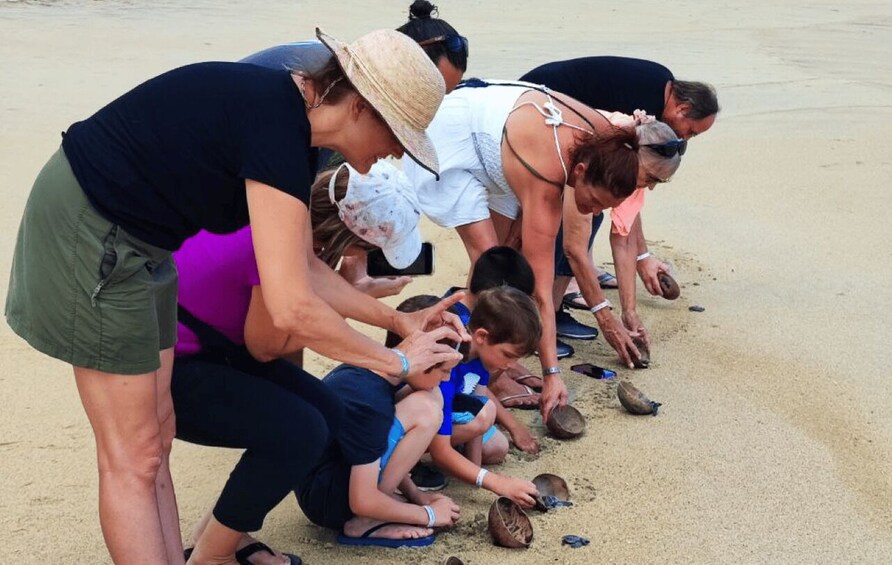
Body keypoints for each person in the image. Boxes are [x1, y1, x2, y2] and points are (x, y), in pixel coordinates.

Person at [5, 27, 455, 563]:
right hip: (92, 232)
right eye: (400, 136)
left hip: (146, 246)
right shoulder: (275, 126)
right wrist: (396, 361)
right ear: (361, 106)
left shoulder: (291, 128)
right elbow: (290, 306)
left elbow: (303, 270)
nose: (396, 155)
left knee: (158, 437)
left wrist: (397, 320)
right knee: (132, 456)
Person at [173, 160, 463, 564]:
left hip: (204, 347)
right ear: (349, 239)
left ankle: (222, 537)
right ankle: (210, 558)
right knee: (299, 430)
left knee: (322, 410)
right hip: (172, 367)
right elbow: (267, 344)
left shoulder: (289, 213)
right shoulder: (273, 243)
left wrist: (398, 320)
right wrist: (395, 360)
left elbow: (310, 278)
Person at [404, 78, 643, 420]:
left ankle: (494, 360)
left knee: (501, 266)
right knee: (495, 273)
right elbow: (541, 293)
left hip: (501, 142)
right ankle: (488, 376)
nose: (592, 212)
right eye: (593, 201)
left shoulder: (609, 139)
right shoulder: (547, 179)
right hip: (453, 137)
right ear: (580, 171)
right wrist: (552, 374)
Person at [520, 57, 719, 360]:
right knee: (571, 226)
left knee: (590, 216)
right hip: (536, 108)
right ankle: (536, 323)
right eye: (690, 131)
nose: (684, 138)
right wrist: (607, 318)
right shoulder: (626, 134)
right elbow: (580, 244)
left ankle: (553, 307)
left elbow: (624, 230)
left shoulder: (644, 131)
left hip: (567, 115)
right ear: (682, 109)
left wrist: (630, 309)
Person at [296, 295, 462, 548]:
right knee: (426, 409)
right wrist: (428, 515)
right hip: (327, 499)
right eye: (444, 371)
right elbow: (360, 500)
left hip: (324, 477)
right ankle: (365, 522)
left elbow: (371, 448)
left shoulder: (373, 368)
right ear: (425, 362)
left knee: (429, 398)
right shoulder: (371, 406)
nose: (447, 379)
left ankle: (381, 504)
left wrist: (415, 494)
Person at [398, 288, 543, 509]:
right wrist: (495, 482)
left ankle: (456, 461)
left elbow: (479, 402)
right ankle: (408, 463)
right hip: (409, 415)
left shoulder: (481, 358)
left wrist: (474, 471)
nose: (512, 366)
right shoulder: (445, 367)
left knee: (496, 446)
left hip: (447, 410)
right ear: (482, 336)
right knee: (468, 426)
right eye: (508, 355)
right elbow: (440, 451)